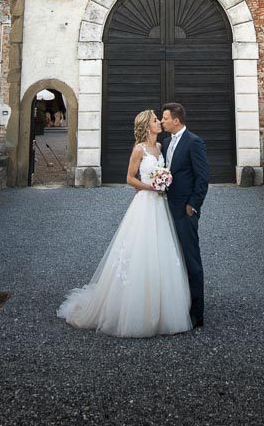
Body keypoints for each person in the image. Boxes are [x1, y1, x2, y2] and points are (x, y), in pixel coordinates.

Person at [56, 108, 192, 337]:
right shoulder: (138, 150)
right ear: (147, 126)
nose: (159, 122)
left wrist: (164, 184)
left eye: (160, 119)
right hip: (145, 203)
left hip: (160, 205)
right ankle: (133, 309)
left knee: (161, 251)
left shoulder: (160, 147)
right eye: (156, 120)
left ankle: (161, 306)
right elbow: (129, 178)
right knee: (139, 250)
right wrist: (151, 187)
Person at [159, 102, 209, 329]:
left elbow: (202, 177)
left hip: (185, 210)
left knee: (191, 259)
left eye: (165, 118)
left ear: (176, 120)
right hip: (166, 208)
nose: (162, 121)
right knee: (172, 258)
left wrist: (193, 205)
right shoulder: (166, 143)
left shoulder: (194, 142)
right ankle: (177, 303)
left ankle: (197, 312)